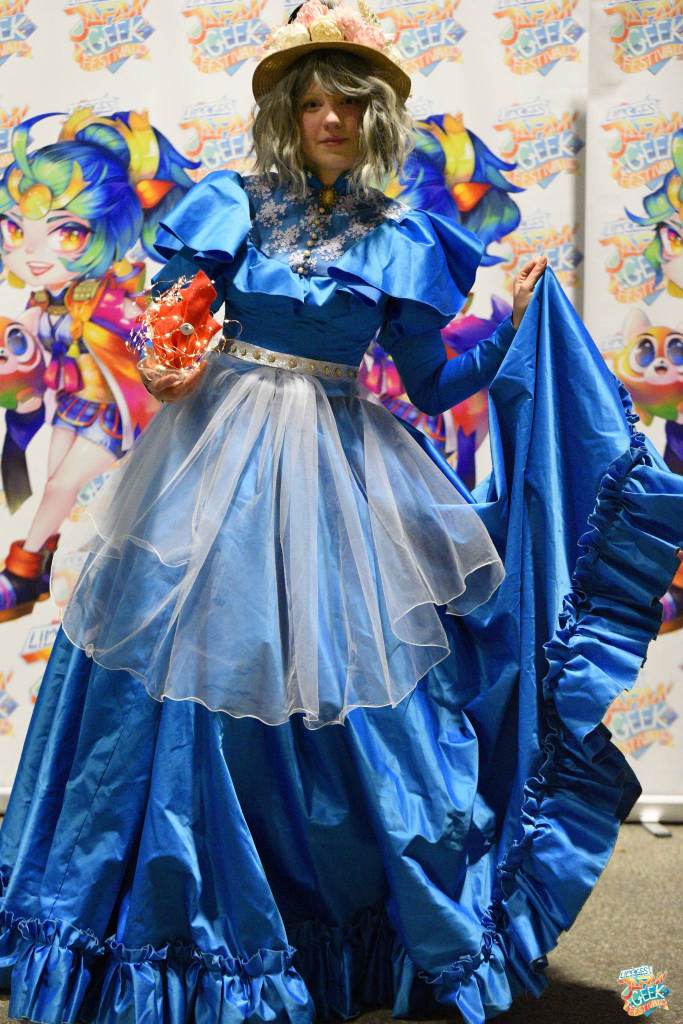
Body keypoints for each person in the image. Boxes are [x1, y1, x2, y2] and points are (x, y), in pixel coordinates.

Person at [0, 2, 682, 1022]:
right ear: (287, 111)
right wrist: (165, 351)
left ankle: (320, 920)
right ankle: (168, 921)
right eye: (314, 101)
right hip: (213, 462)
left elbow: (431, 380)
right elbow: (168, 329)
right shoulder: (229, 203)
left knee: (344, 691)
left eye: (350, 104)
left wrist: (513, 328)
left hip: (335, 466)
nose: (331, 118)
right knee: (184, 683)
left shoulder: (402, 236)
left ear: (375, 118)